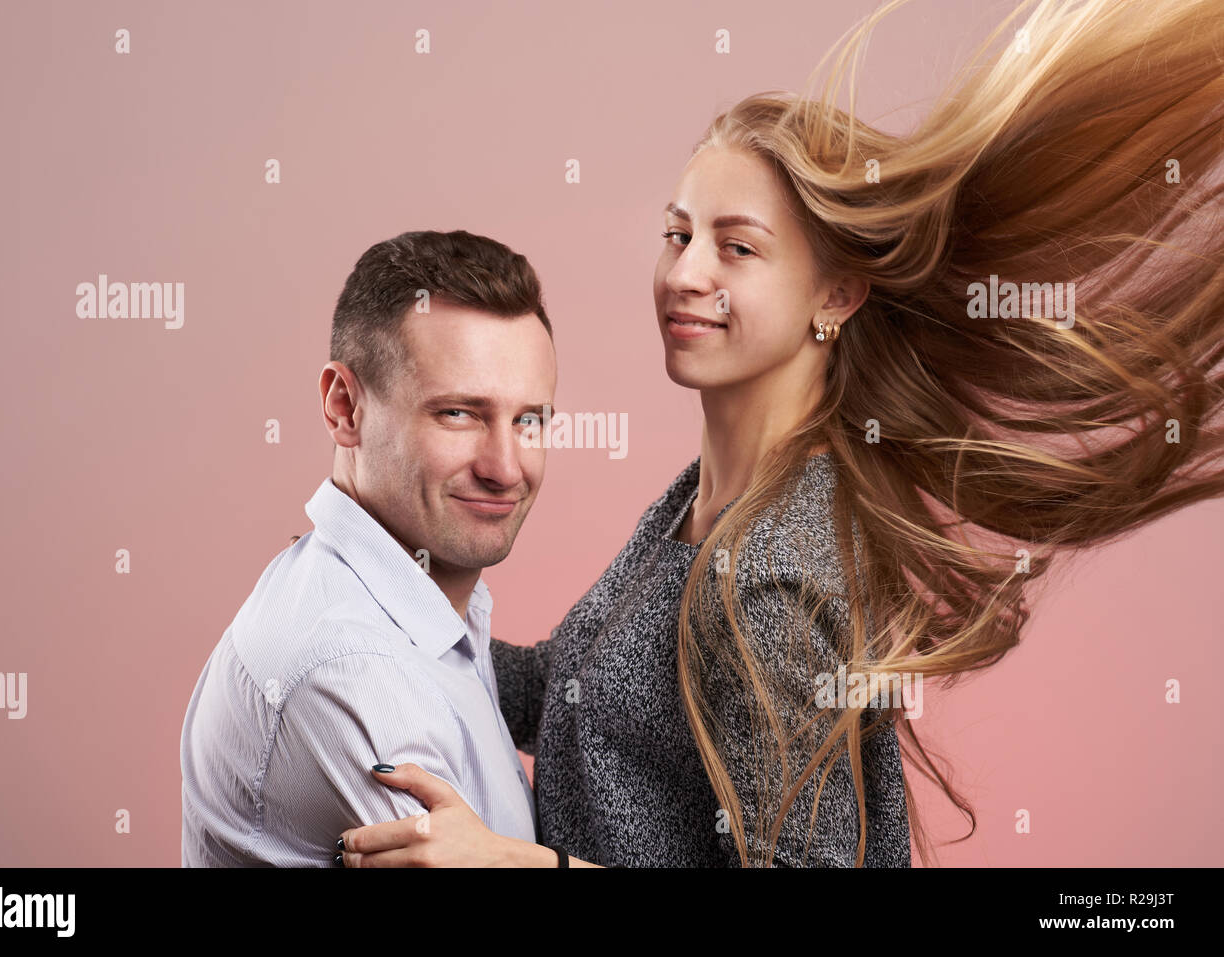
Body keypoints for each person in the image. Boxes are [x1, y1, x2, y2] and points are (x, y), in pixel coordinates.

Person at [339, 0, 1224, 867]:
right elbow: (578, 696)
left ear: (835, 295)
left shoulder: (778, 573)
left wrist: (516, 865)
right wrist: (374, 594)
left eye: (738, 248)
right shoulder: (705, 501)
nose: (686, 273)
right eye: (677, 234)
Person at [180, 229, 558, 866]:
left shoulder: (414, 604)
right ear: (343, 406)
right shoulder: (354, 671)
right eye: (459, 414)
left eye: (528, 420)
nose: (504, 466)